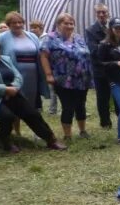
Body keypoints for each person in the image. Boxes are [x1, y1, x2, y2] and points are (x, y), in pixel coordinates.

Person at [0, 38, 67, 152]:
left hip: (13, 93)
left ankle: (51, 140)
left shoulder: (5, 59)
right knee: (7, 117)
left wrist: (14, 87)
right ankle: (4, 140)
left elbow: (18, 76)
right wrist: (5, 90)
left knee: (32, 114)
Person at [40, 13, 93, 143]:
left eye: (71, 23)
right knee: (68, 106)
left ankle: (82, 131)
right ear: (58, 25)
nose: (69, 26)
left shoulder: (79, 37)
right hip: (63, 79)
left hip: (82, 78)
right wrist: (48, 74)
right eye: (66, 23)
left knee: (81, 105)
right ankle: (67, 135)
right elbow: (43, 56)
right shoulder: (50, 38)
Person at [0, 12, 47, 119]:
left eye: (20, 22)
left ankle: (36, 130)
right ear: (9, 24)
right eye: (14, 23)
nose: (18, 25)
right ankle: (17, 131)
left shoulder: (32, 36)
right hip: (13, 75)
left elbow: (40, 54)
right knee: (15, 101)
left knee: (32, 102)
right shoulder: (1, 38)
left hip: (32, 76)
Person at [84, 3, 115, 129]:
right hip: (100, 69)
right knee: (103, 97)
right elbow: (93, 51)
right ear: (95, 14)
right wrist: (109, 45)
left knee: (118, 95)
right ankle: (105, 122)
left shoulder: (115, 26)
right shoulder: (90, 30)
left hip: (115, 68)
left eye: (104, 12)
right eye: (99, 12)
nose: (102, 15)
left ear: (108, 13)